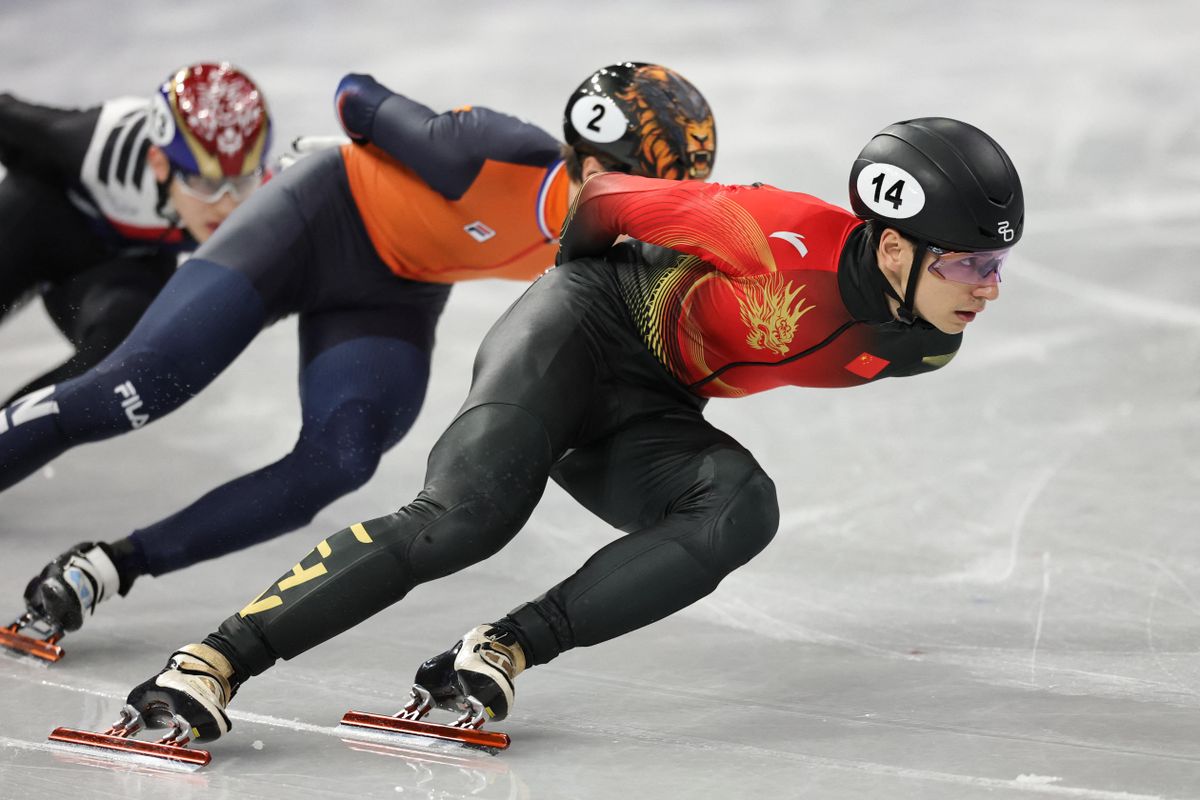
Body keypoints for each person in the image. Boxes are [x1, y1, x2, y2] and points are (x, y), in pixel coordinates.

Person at [117, 116, 1025, 743]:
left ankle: (502, 647)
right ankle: (213, 660)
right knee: (466, 518)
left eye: (998, 264)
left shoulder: (925, 343)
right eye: (971, 264)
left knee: (741, 508)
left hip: (654, 405)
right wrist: (568, 302)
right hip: (579, 327)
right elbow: (604, 202)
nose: (989, 288)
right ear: (895, 246)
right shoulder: (768, 229)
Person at [0, 63, 717, 645]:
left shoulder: (622, 242)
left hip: (392, 291)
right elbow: (354, 93)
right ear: (590, 166)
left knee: (341, 458)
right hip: (314, 217)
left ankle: (112, 566)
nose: (657, 213)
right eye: (650, 191)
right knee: (130, 389)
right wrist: (379, 143)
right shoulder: (486, 152)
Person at [0, 62, 272, 406]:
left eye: (242, 181)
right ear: (159, 163)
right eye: (206, 183)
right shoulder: (96, 145)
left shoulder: (268, 194)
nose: (226, 204)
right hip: (36, 224)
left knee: (129, 361)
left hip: (116, 271)